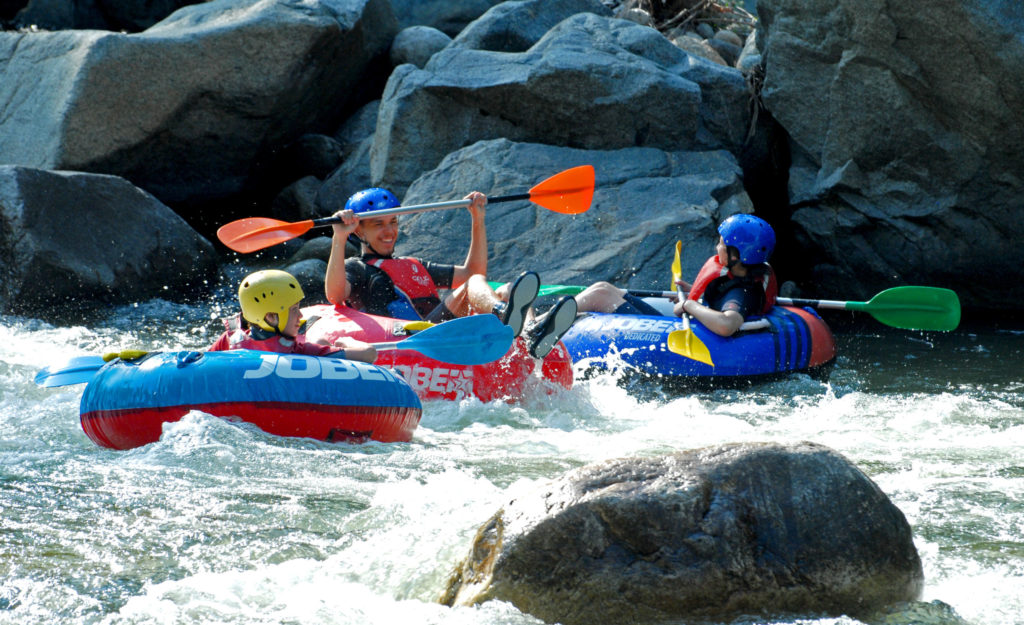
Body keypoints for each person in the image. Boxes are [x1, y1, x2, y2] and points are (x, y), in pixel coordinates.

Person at [325, 187, 577, 359]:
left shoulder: (414, 264)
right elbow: (335, 295)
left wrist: (477, 219)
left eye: (393, 222)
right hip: (418, 337)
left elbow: (473, 271)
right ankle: (504, 316)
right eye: (378, 224)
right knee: (473, 284)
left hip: (443, 330)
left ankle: (531, 331)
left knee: (508, 288)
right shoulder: (356, 268)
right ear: (359, 232)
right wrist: (339, 237)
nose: (389, 231)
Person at [209, 269, 377, 362]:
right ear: (271, 318)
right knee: (321, 343)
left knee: (320, 342)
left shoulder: (230, 340)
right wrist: (345, 341)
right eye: (294, 309)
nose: (301, 315)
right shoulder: (299, 351)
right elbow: (368, 353)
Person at [672, 214, 778, 337]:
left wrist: (688, 305)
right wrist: (697, 291)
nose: (717, 247)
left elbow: (726, 325)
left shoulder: (743, 292)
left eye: (721, 243)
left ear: (734, 256)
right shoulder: (741, 277)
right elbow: (726, 290)